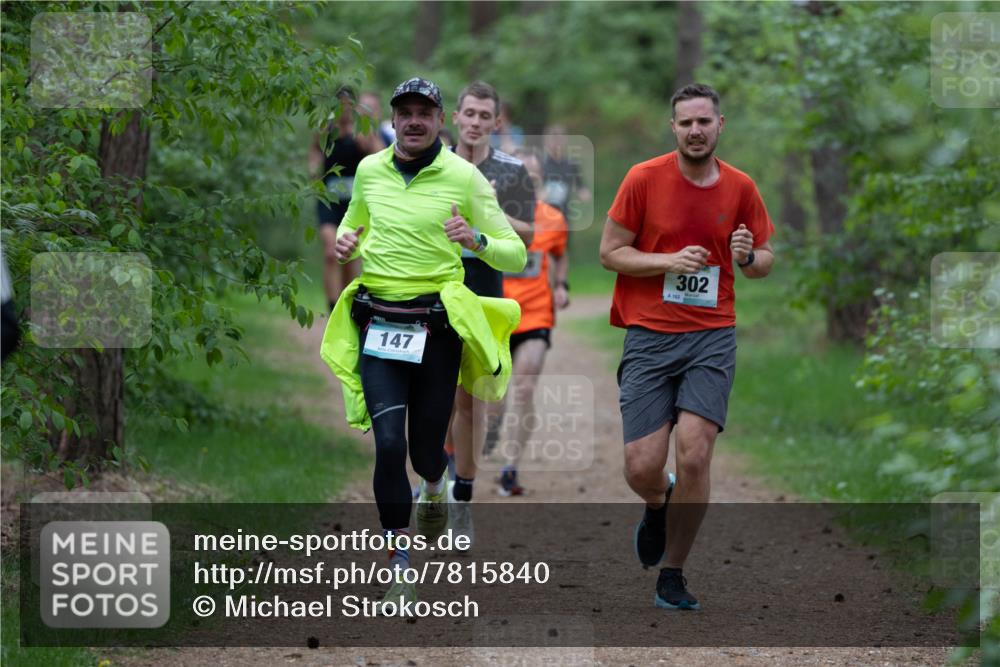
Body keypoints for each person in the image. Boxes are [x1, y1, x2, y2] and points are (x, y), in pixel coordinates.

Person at [320, 77, 525, 609]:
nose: (414, 120)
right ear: (394, 117)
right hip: (380, 321)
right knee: (388, 445)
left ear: (441, 120)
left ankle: (435, 486)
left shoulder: (465, 177)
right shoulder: (369, 170)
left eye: (424, 112)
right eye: (404, 111)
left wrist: (475, 240)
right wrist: (345, 244)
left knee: (426, 450)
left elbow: (514, 253)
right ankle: (399, 563)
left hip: (436, 328)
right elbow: (353, 228)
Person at [599, 83, 774, 610]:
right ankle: (658, 502)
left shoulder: (741, 187)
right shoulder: (643, 179)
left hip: (711, 336)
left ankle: (672, 573)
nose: (695, 130)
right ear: (672, 128)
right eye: (686, 123)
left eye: (704, 121)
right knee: (640, 466)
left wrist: (747, 258)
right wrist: (666, 262)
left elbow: (765, 259)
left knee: (695, 453)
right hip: (650, 335)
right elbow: (610, 253)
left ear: (721, 125)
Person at [446, 81, 535, 545]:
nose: (477, 122)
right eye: (470, 114)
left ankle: (460, 495)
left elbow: (529, 234)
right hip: (435, 287)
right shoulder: (433, 164)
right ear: (455, 117)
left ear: (497, 122)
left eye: (486, 115)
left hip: (483, 288)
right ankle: (432, 480)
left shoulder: (512, 170)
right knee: (432, 397)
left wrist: (487, 217)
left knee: (470, 400)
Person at [484, 147, 569, 496]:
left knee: (524, 386)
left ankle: (510, 468)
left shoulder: (553, 219)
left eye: (534, 179)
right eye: (522, 178)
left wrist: (561, 284)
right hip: (494, 314)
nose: (528, 184)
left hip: (535, 313)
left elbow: (560, 256)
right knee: (494, 396)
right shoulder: (489, 215)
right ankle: (492, 424)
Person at [309, 87, 385, 311]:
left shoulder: (362, 130)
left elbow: (381, 156)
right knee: (331, 251)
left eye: (347, 104)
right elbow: (314, 150)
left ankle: (346, 302)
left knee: (348, 256)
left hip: (354, 203)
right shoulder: (325, 129)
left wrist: (366, 142)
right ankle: (332, 306)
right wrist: (313, 169)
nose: (343, 109)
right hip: (329, 200)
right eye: (338, 104)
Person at [542, 124, 592, 223]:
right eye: (554, 139)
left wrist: (584, 194)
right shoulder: (540, 164)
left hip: (564, 214)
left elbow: (580, 186)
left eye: (560, 139)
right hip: (544, 214)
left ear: (565, 141)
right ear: (546, 142)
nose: (557, 143)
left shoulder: (571, 164)